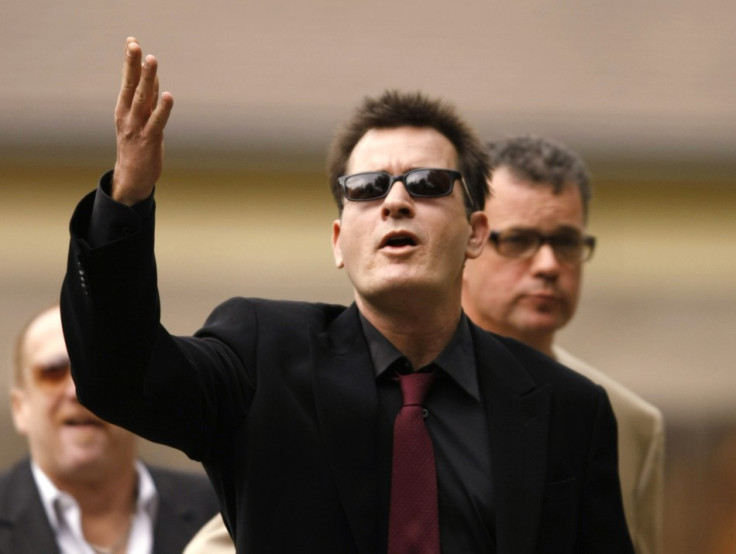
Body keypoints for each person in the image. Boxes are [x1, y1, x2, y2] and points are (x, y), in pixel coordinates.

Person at [60, 36, 634, 553]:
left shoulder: (567, 408)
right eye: (367, 188)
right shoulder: (263, 356)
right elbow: (119, 376)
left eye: (428, 183)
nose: (396, 201)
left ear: (477, 234)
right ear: (339, 241)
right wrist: (126, 198)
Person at [462, 136, 665, 554]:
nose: (549, 265)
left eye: (566, 242)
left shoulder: (629, 422)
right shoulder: (405, 391)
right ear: (467, 243)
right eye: (518, 240)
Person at [0, 305, 219, 554]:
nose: (77, 392)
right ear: (20, 408)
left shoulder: (221, 513)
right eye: (53, 372)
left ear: (138, 396)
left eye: (100, 372)